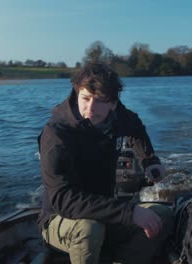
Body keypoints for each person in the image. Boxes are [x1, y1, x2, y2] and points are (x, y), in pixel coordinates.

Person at [37, 62, 173, 264]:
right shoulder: (56, 134)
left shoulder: (118, 116)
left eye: (99, 101)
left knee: (162, 215)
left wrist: (149, 160)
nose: (91, 108)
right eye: (85, 98)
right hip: (60, 219)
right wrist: (128, 212)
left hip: (104, 212)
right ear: (77, 93)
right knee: (89, 229)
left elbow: (134, 125)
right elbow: (62, 199)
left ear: (113, 103)